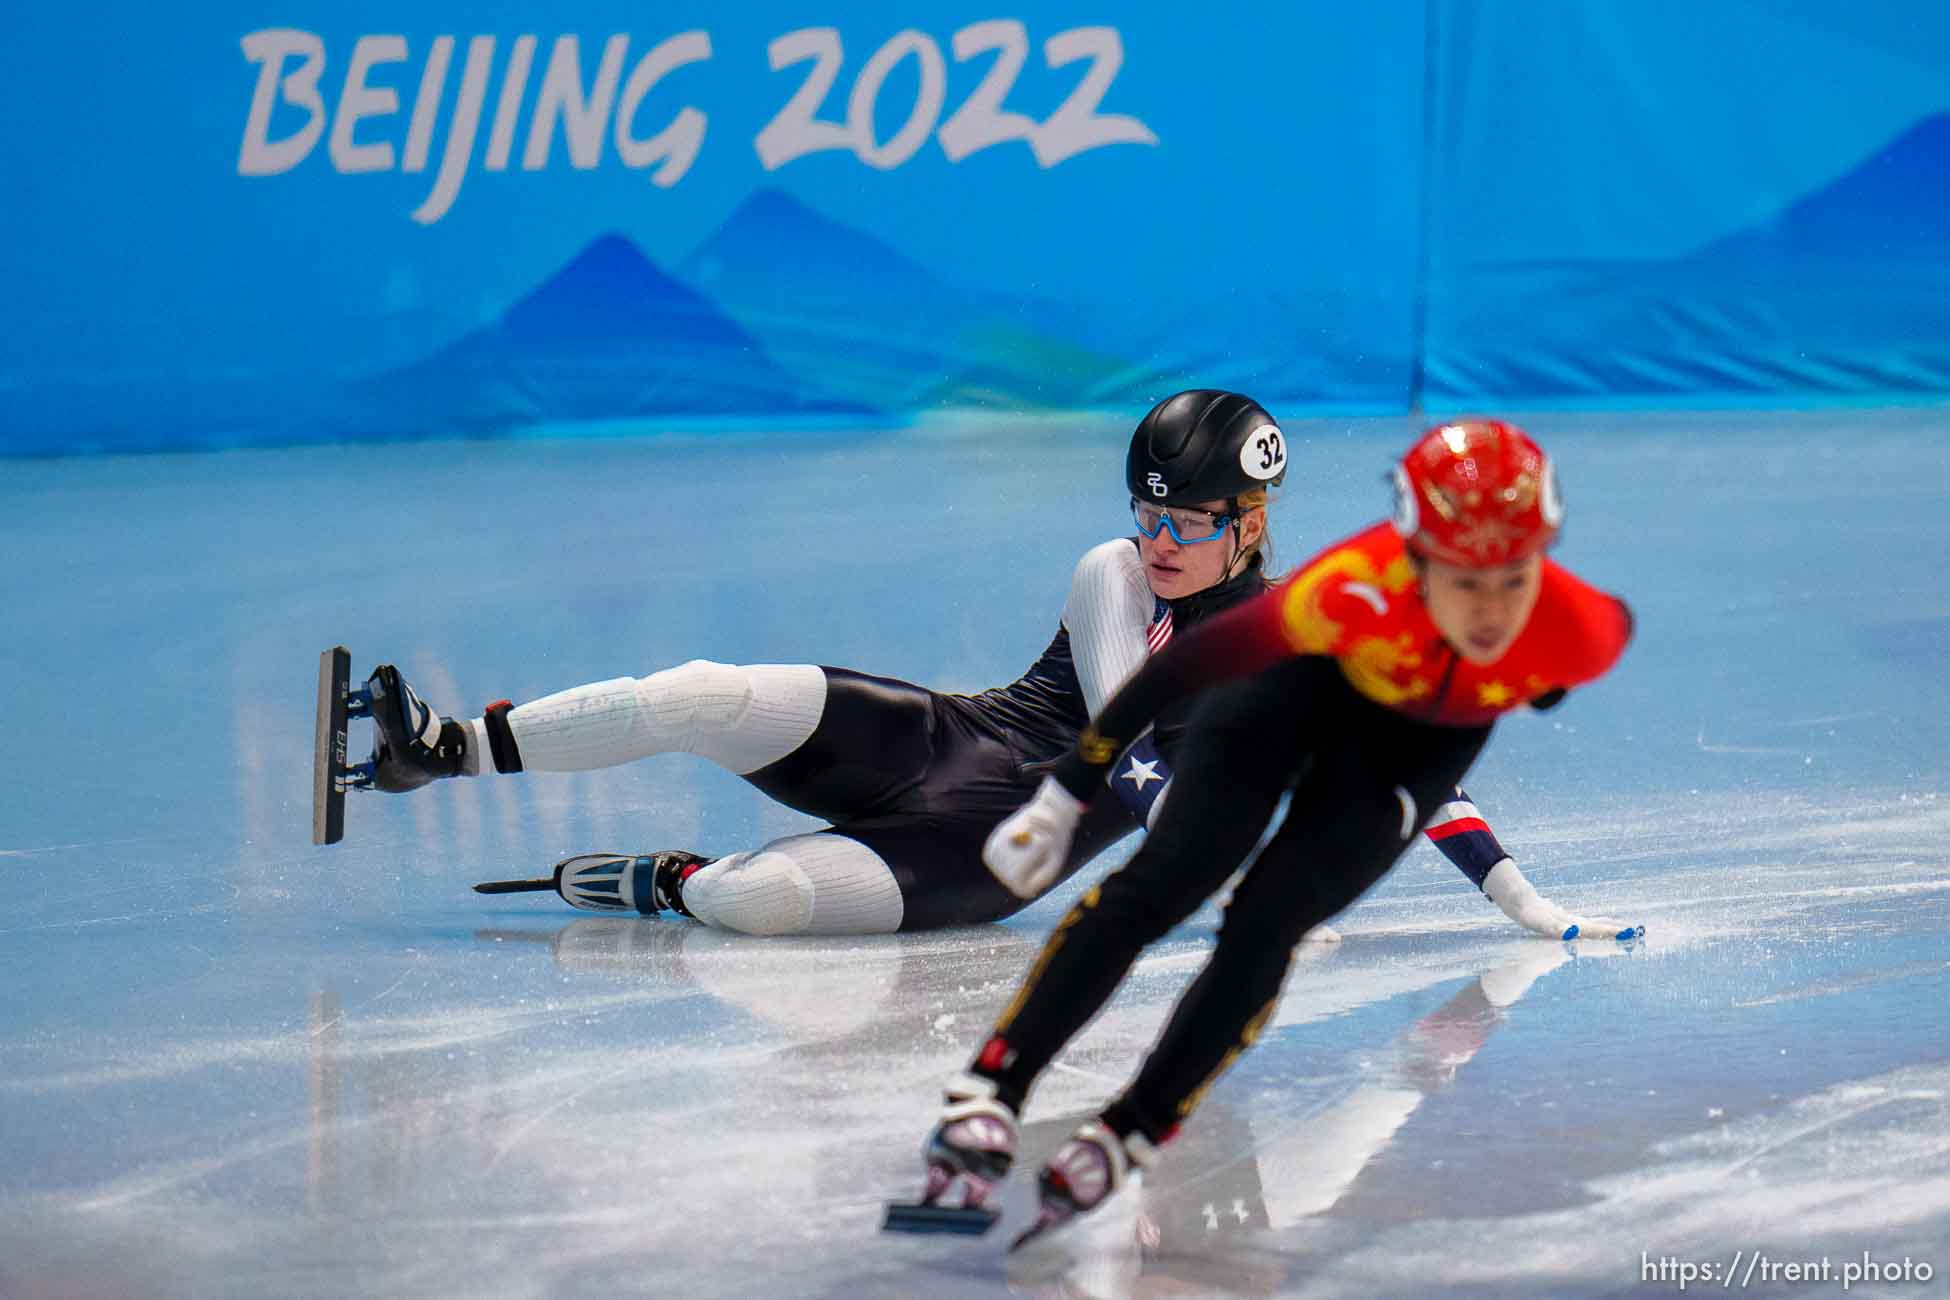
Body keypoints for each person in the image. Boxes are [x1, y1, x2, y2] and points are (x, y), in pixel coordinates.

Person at [355, 394, 1624, 941]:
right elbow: (1128, 737)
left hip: (989, 853)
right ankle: (446, 749)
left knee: (758, 907)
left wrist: (1519, 899)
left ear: (1250, 522)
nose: (1157, 539)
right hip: (947, 740)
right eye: (1146, 511)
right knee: (704, 690)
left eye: (1185, 522)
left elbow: (1418, 779)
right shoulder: (1111, 574)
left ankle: (666, 881)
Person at [913, 418, 1636, 1245]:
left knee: (1267, 928)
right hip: (1288, 702)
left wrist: (1512, 881)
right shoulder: (1353, 584)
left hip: (1410, 751)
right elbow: (1184, 668)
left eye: (1514, 579)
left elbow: (1558, 668)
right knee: (1160, 886)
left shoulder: (1579, 628)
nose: (1492, 611)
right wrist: (1064, 795)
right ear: (1414, 561)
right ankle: (992, 1089)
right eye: (1464, 582)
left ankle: (1133, 1129)